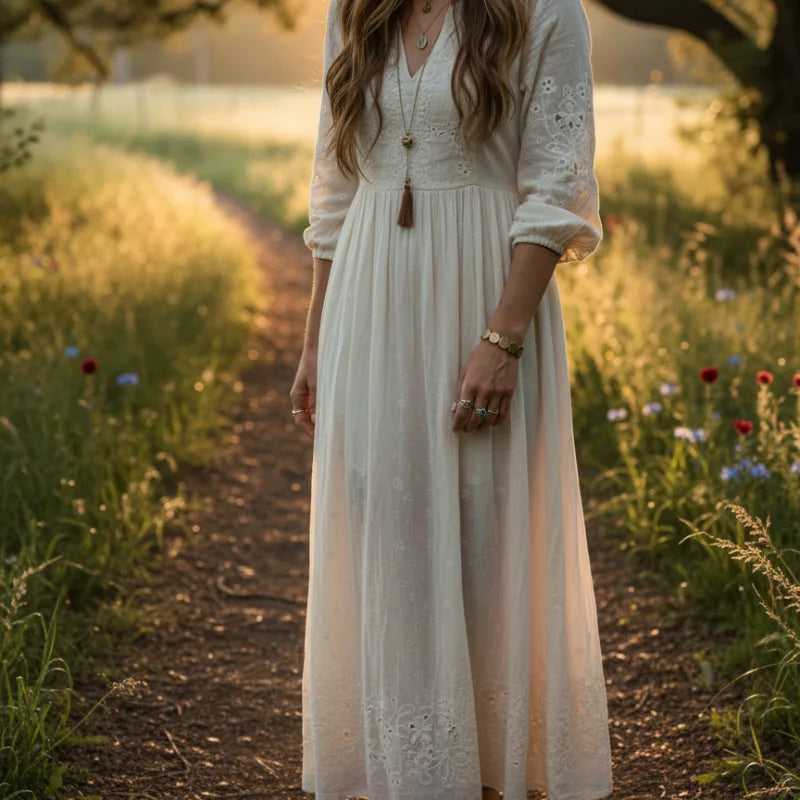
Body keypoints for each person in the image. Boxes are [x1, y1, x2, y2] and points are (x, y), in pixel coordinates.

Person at [289, 0, 613, 797]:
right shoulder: (356, 8)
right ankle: (413, 773)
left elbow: (557, 186)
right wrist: (313, 339)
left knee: (483, 533)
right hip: (368, 300)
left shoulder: (545, 11)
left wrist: (503, 339)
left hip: (481, 295)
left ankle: (492, 775)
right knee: (384, 528)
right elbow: (335, 189)